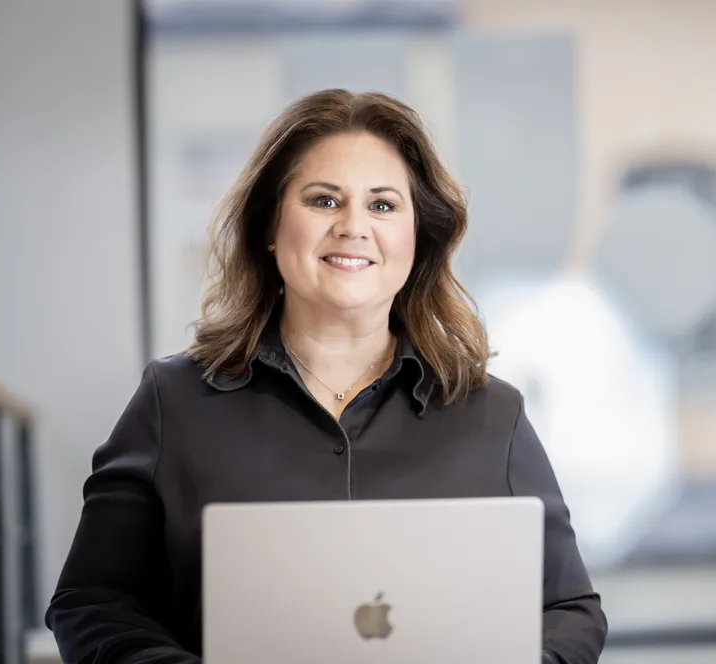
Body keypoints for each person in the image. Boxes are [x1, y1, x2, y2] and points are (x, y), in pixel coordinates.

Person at [45, 88, 607, 664]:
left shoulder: (493, 415)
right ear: (270, 226)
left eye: (383, 206)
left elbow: (570, 612)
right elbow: (92, 603)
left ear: (418, 239)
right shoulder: (173, 401)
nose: (353, 227)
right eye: (324, 200)